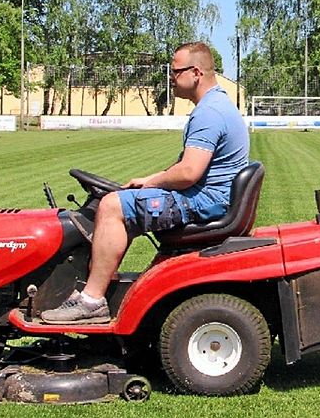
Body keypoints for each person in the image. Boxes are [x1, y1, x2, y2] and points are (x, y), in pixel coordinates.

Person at [41, 42, 249, 324]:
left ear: (196, 73)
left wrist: (152, 183)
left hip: (205, 201)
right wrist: (149, 181)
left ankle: (91, 301)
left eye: (175, 71)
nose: (171, 78)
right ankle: (106, 282)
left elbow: (188, 172)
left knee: (112, 206)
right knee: (124, 203)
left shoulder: (209, 113)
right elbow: (186, 168)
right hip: (212, 198)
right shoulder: (218, 105)